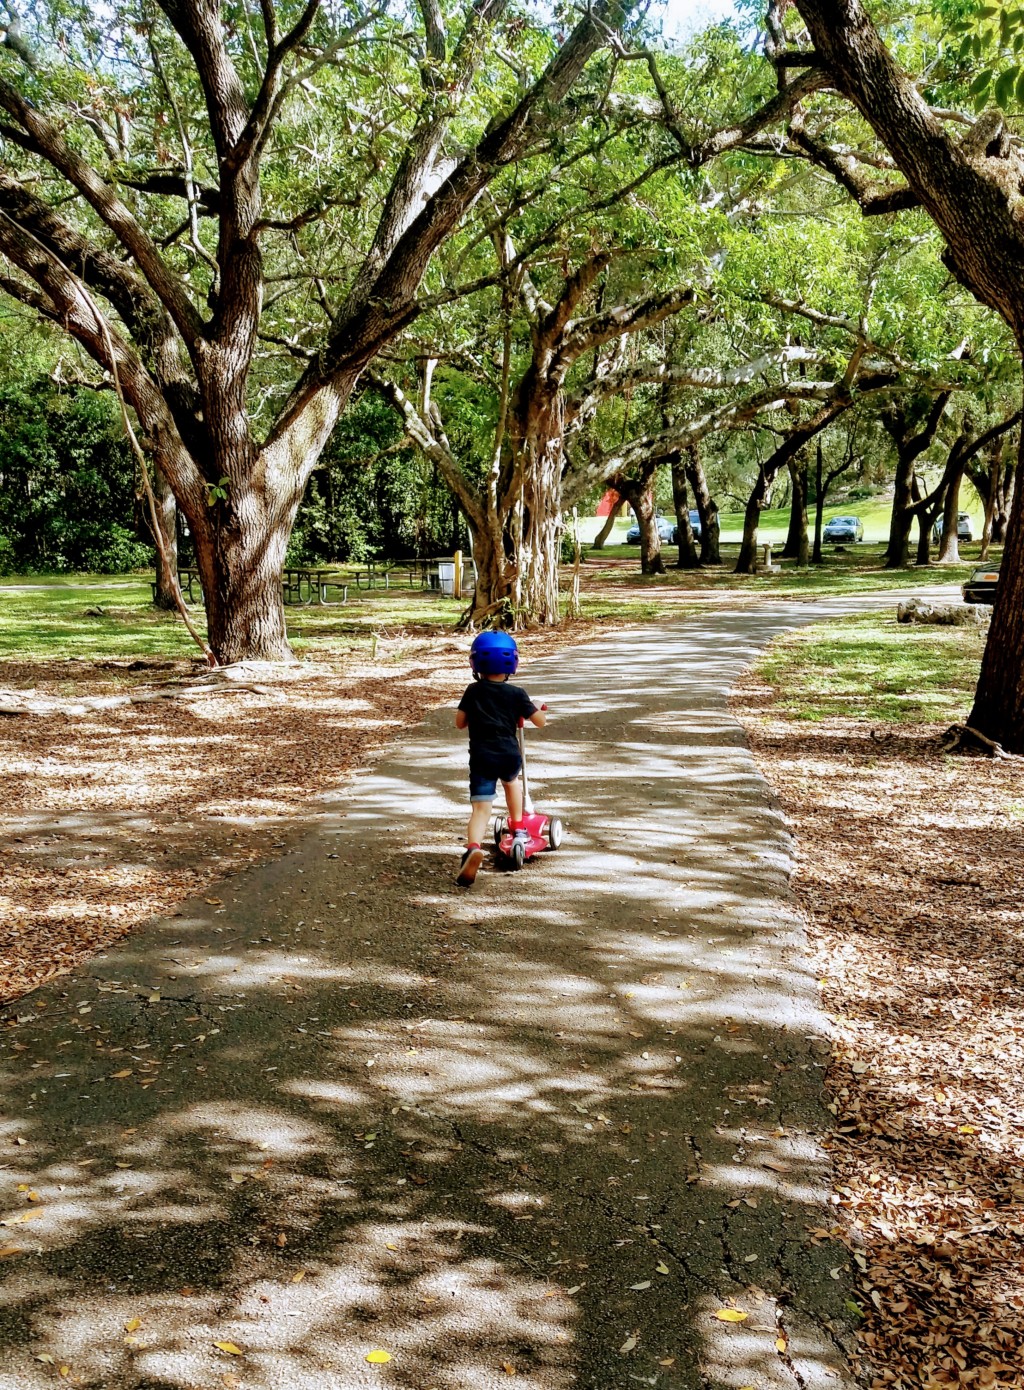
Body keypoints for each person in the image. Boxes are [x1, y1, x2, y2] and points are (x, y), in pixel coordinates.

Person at [454, 630, 547, 887]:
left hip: (481, 757)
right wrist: (535, 706)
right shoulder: (517, 693)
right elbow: (540, 722)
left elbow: (460, 723)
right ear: (512, 663)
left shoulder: (473, 691)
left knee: (481, 809)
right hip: (508, 754)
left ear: (475, 663)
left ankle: (473, 848)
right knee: (511, 783)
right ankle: (518, 827)